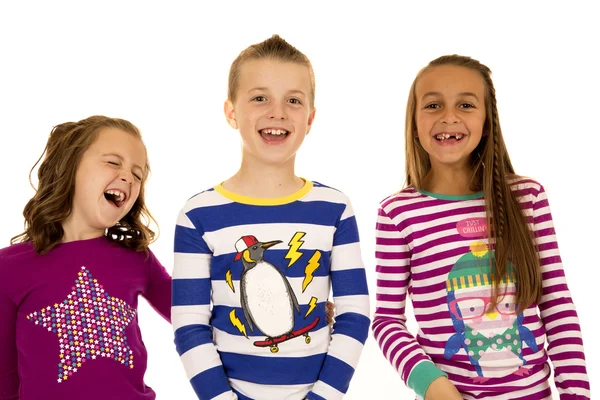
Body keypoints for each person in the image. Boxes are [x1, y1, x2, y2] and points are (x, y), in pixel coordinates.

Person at [371, 55, 590, 399]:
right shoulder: (398, 213)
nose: (449, 116)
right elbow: (387, 321)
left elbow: (557, 306)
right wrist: (434, 386)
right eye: (433, 105)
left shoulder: (526, 198)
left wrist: (576, 395)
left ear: (487, 121)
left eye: (466, 104)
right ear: (413, 122)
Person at [171, 34, 370, 400]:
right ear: (232, 112)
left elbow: (354, 313)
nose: (277, 112)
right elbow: (189, 324)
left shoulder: (335, 208)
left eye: (293, 100)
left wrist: (322, 396)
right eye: (260, 97)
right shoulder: (198, 215)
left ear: (309, 118)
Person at [0, 116, 172, 400]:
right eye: (113, 162)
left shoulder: (137, 258)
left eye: (138, 174)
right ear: (68, 167)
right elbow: (5, 376)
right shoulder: (8, 267)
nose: (128, 176)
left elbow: (191, 311)